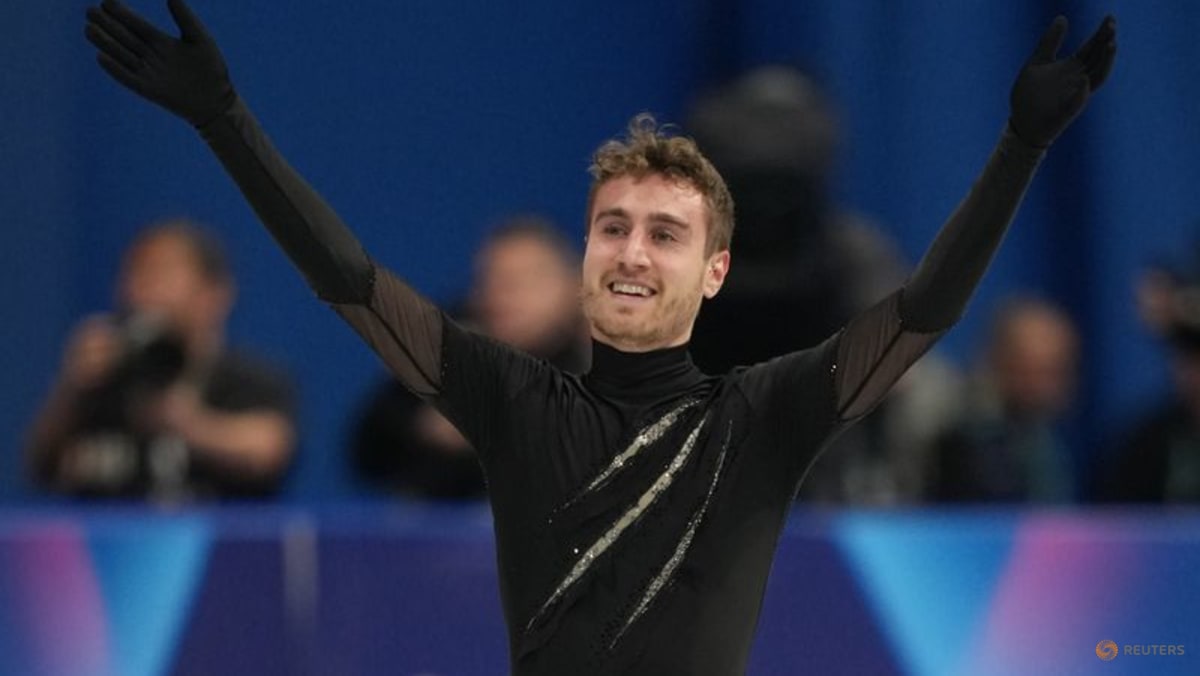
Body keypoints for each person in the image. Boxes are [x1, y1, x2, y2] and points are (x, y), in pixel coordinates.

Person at [83, 1, 1116, 672]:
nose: (630, 251)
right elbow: (346, 281)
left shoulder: (761, 416)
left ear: (714, 272)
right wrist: (223, 119)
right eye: (611, 227)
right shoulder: (511, 398)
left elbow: (924, 310)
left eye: (665, 234)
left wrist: (1022, 147)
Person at [26, 219, 297, 501]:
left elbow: (269, 449)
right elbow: (40, 464)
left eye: (161, 272)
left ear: (215, 293)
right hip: (106, 542)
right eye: (134, 271)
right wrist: (72, 385)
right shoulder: (104, 378)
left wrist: (188, 425)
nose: (143, 288)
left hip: (214, 542)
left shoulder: (251, 380)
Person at [352, 216, 588, 498]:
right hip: (441, 529)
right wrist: (423, 425)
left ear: (572, 287)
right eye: (492, 279)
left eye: (524, 280)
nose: (505, 295)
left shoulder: (598, 363)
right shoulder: (445, 343)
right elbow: (368, 452)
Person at [927, 297, 1081, 503]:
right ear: (998, 361)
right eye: (1029, 370)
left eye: (1054, 372)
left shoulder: (1047, 445)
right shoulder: (962, 446)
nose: (1042, 386)